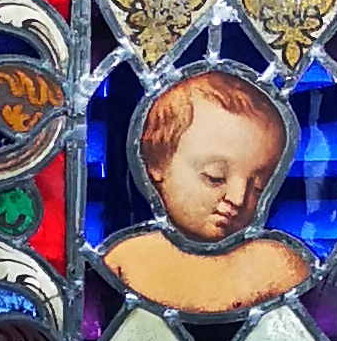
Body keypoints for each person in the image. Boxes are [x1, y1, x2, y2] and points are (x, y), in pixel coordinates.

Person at [102, 66, 313, 315]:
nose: (238, 198)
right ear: (157, 164)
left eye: (258, 187)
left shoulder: (276, 268)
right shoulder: (127, 262)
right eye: (215, 177)